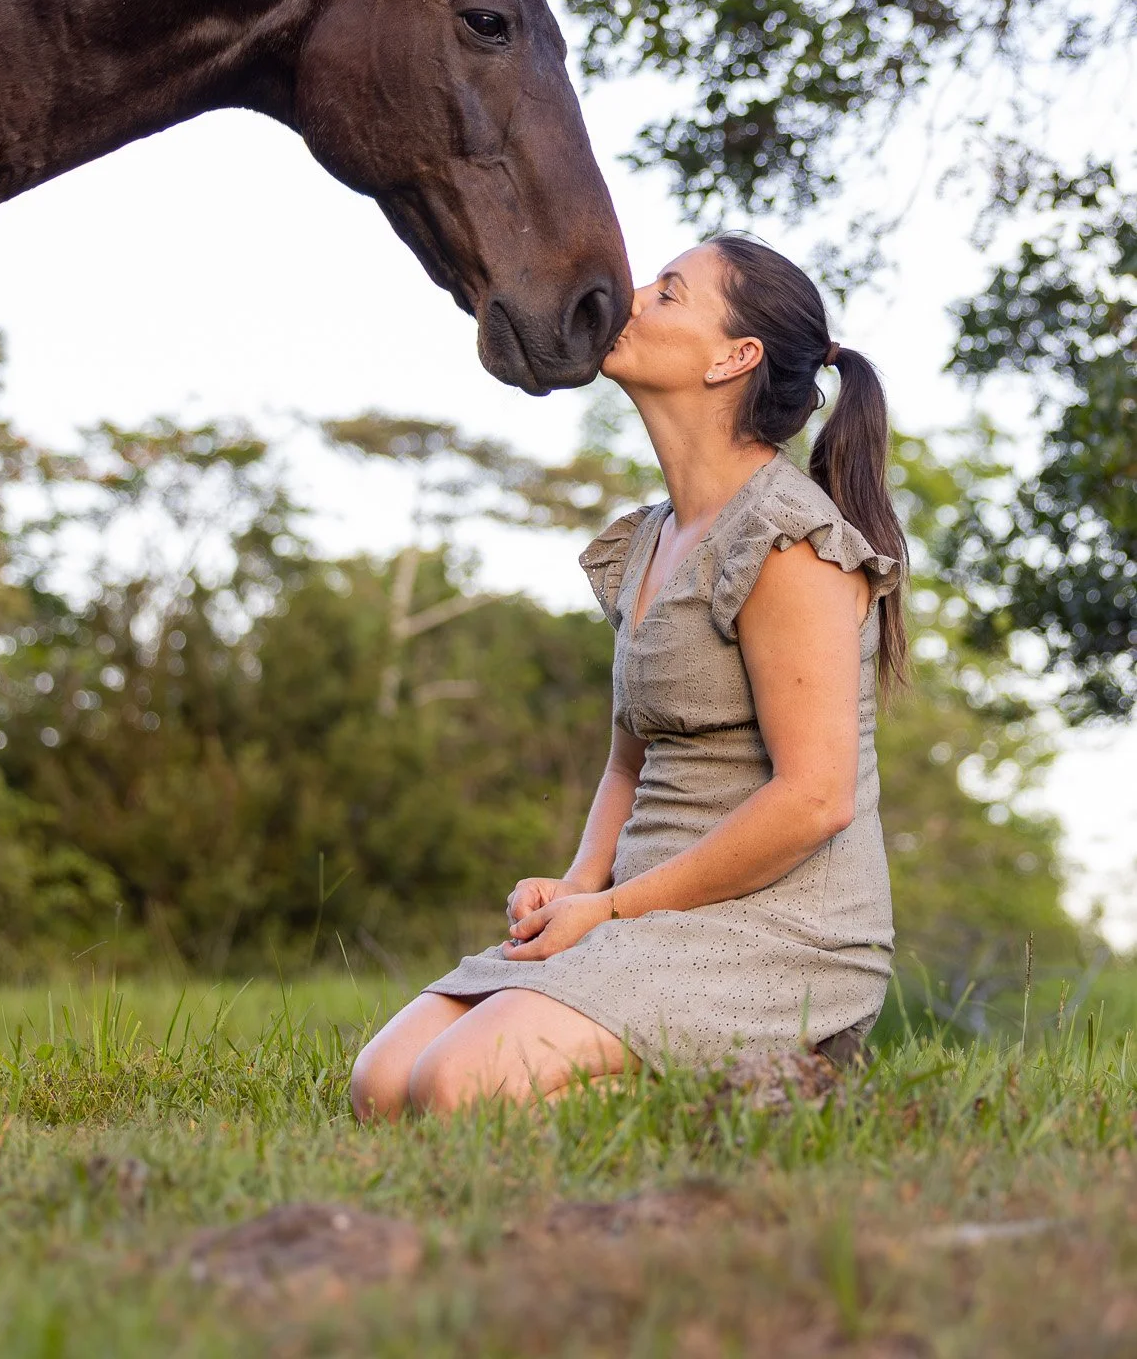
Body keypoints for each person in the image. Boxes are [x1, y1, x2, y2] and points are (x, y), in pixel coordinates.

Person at [350, 234, 909, 1120]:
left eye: (669, 292)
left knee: (458, 1089)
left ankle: (778, 1091)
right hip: (642, 918)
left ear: (735, 358)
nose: (631, 296)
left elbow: (816, 800)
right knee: (382, 1087)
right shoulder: (650, 538)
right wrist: (579, 884)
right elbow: (627, 763)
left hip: (779, 933)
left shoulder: (788, 541)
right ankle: (697, 1085)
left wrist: (611, 912)